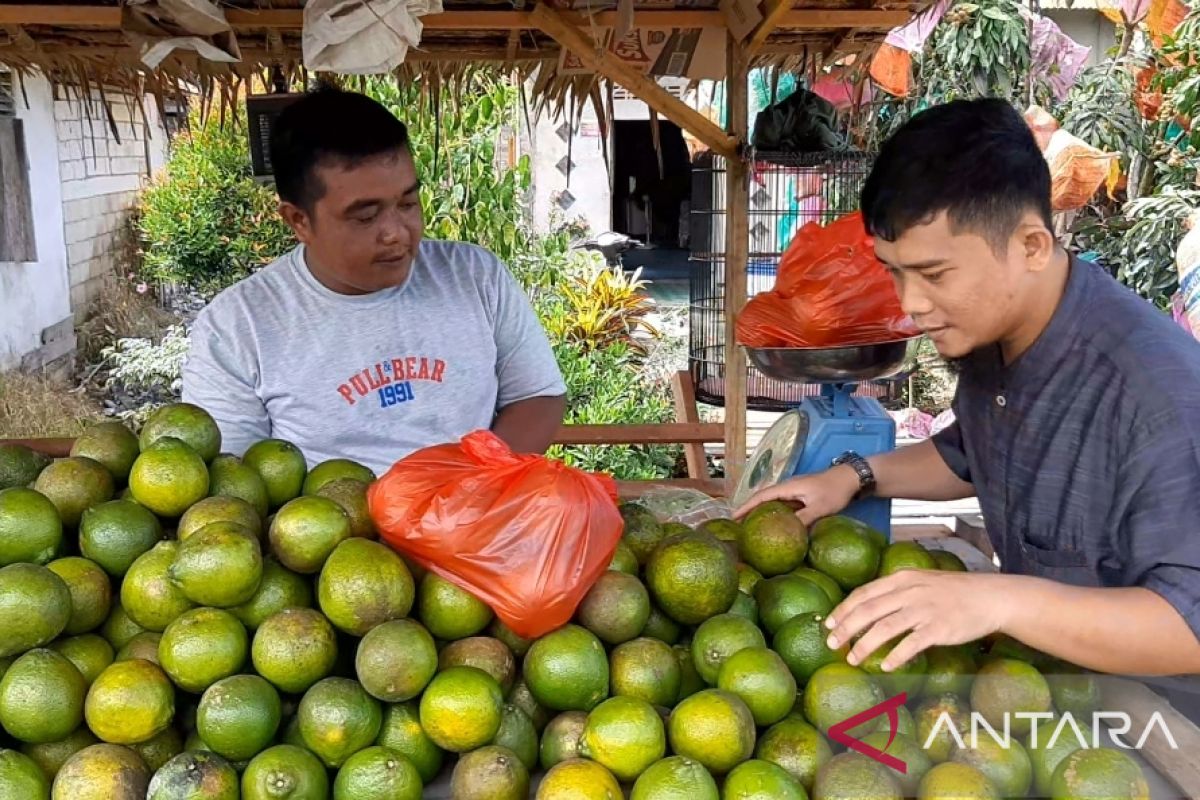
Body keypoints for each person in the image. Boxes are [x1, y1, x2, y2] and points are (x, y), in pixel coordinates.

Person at [736, 98, 1200, 688]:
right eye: (895, 272)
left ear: (1031, 246)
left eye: (934, 274)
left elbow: (1190, 625)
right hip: (1043, 692)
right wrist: (852, 476)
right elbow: (972, 454)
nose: (911, 305)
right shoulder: (998, 335)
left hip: (1165, 735)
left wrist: (996, 601)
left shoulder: (1160, 398)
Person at [181, 87, 566, 475]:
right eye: (365, 217)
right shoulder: (236, 326)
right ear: (298, 220)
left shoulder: (475, 276)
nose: (396, 233)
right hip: (330, 531)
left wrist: (469, 491)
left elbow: (537, 396)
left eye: (407, 204)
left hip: (471, 519)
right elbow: (232, 478)